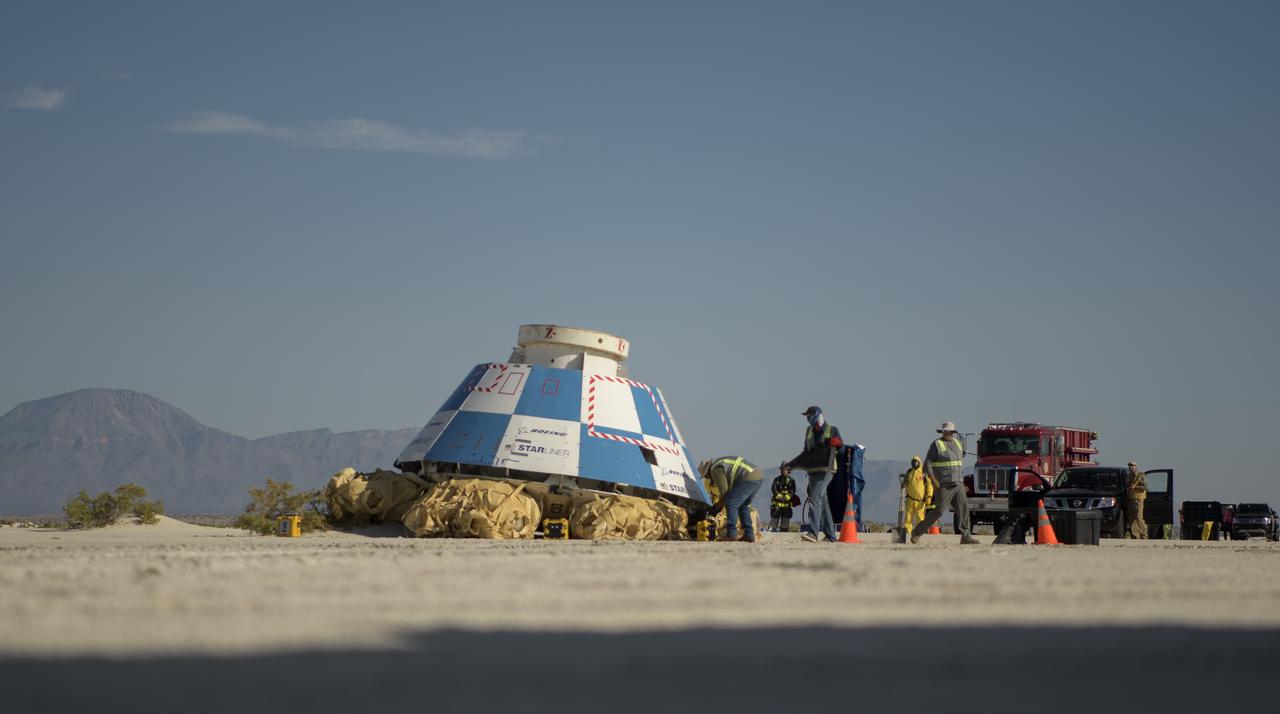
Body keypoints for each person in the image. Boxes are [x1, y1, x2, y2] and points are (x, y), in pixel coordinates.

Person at [910, 421, 980, 545]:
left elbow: (957, 464)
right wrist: (933, 480)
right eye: (944, 431)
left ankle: (966, 536)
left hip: (958, 483)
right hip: (944, 484)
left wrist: (962, 482)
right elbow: (927, 464)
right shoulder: (936, 444)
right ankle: (916, 532)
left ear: (953, 432)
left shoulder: (958, 443)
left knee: (963, 509)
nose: (946, 433)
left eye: (948, 431)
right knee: (939, 511)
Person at [789, 406, 843, 543]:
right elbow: (805, 452)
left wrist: (838, 444)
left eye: (810, 416)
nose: (808, 419)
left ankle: (813, 532)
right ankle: (831, 536)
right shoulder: (808, 431)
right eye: (807, 416)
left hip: (827, 470)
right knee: (822, 502)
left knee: (815, 498)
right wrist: (792, 464)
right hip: (813, 471)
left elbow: (841, 451)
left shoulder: (832, 429)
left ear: (818, 415)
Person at [700, 456, 764, 543]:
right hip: (757, 476)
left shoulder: (715, 468)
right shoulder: (720, 462)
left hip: (747, 477)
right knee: (743, 505)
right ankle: (749, 534)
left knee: (731, 503)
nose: (708, 478)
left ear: (707, 472)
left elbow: (725, 493)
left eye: (706, 476)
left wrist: (716, 508)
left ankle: (731, 534)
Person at [899, 455, 933, 540]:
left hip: (920, 501)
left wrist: (929, 496)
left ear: (919, 462)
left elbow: (929, 485)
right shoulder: (909, 472)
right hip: (910, 499)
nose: (915, 463)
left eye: (916, 461)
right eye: (913, 462)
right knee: (908, 517)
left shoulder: (924, 473)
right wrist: (903, 488)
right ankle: (908, 533)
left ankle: (919, 534)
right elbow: (905, 483)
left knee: (920, 518)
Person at [769, 462, 800, 532]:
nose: (783, 471)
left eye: (785, 469)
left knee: (784, 528)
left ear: (788, 471)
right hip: (776, 507)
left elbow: (792, 491)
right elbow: (773, 490)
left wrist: (786, 498)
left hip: (787, 507)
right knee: (773, 525)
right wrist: (779, 497)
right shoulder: (776, 480)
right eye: (782, 469)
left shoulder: (792, 481)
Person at [1125, 461, 1148, 539]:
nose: (1130, 467)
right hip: (1130, 499)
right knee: (1132, 519)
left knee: (1139, 518)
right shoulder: (1129, 476)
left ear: (1136, 466)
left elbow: (1146, 487)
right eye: (1129, 466)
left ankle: (1144, 535)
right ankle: (1135, 536)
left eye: (1132, 466)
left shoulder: (1141, 476)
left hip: (1139, 499)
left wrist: (1136, 487)